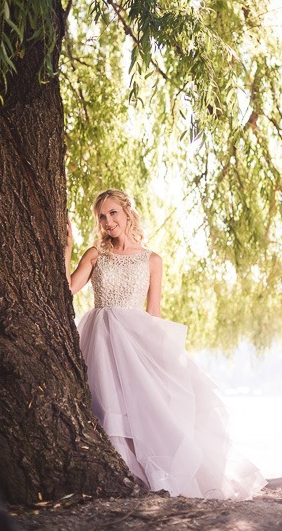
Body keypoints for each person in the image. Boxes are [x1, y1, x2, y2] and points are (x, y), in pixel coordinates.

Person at [65, 188, 267, 499]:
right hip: (100, 339)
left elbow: (153, 313)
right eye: (102, 216)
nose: (108, 221)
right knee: (104, 405)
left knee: (141, 407)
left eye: (113, 213)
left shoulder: (152, 260)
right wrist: (66, 250)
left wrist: (163, 359)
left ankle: (142, 477)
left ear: (127, 212)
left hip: (133, 342)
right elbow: (67, 290)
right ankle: (113, 472)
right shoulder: (95, 255)